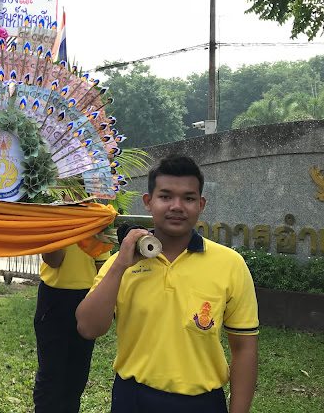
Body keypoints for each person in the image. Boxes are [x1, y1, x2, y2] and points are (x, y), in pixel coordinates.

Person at [76, 155, 259, 413]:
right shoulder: (121, 263)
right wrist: (120, 266)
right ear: (148, 202)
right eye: (165, 196)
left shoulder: (230, 264)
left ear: (201, 205)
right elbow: (87, 328)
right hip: (133, 399)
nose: (177, 206)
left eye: (188, 198)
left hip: (203, 403)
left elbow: (244, 348)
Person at [33, 242, 111, 413]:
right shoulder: (55, 223)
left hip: (87, 297)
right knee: (50, 374)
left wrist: (103, 302)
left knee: (77, 375)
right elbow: (54, 261)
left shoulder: (97, 223)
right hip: (54, 297)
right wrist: (59, 230)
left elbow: (101, 266)